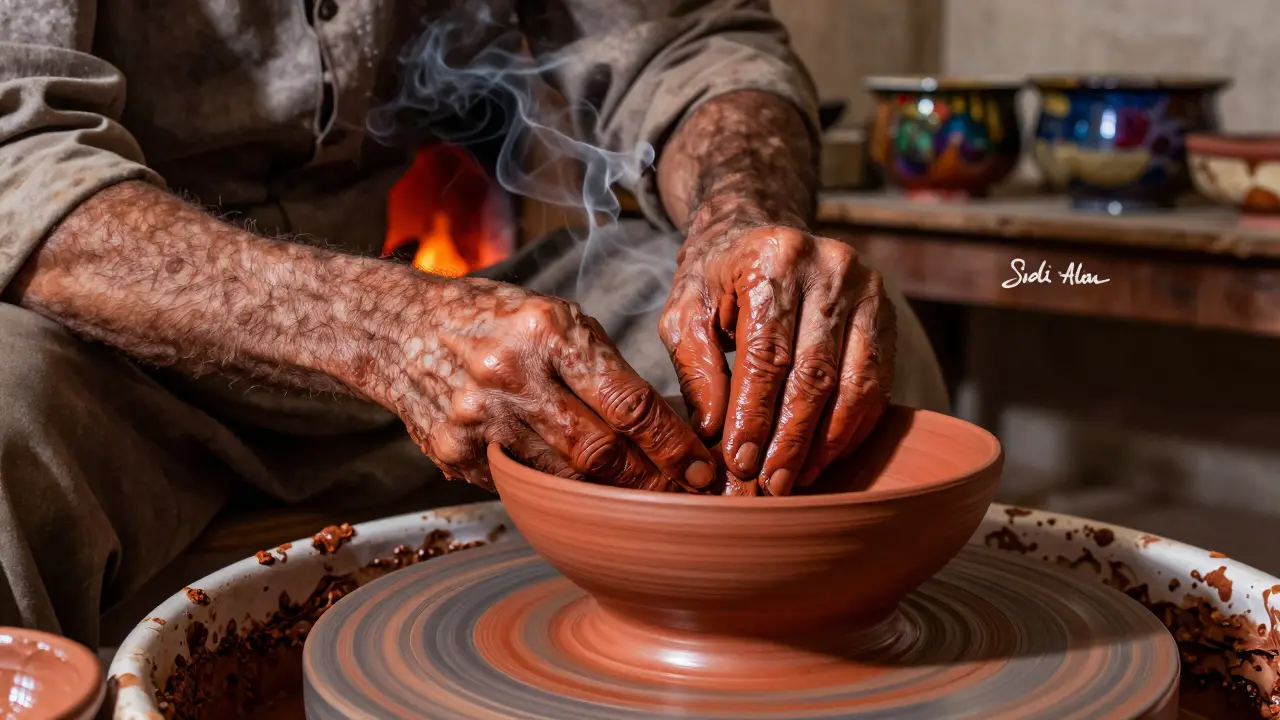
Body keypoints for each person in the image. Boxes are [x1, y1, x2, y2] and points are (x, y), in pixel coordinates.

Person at [0, 0, 948, 647]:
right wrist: (388, 332)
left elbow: (691, 45)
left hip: (390, 326)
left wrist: (740, 215)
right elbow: (20, 152)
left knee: (830, 347)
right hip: (103, 348)